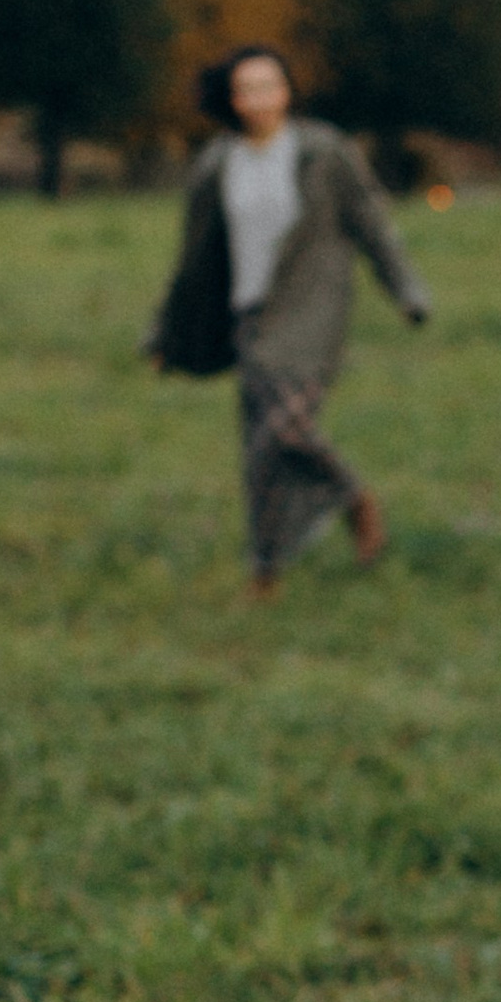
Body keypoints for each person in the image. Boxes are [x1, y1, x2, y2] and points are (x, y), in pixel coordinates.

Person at [145, 46, 431, 597]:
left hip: (312, 311)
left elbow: (371, 223)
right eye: (247, 88)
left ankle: (351, 497)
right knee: (259, 452)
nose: (260, 98)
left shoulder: (323, 152)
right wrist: (164, 333)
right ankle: (266, 570)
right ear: (232, 99)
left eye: (271, 84)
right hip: (248, 316)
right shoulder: (216, 165)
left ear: (287, 92)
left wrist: (406, 291)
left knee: (284, 430)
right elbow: (192, 261)